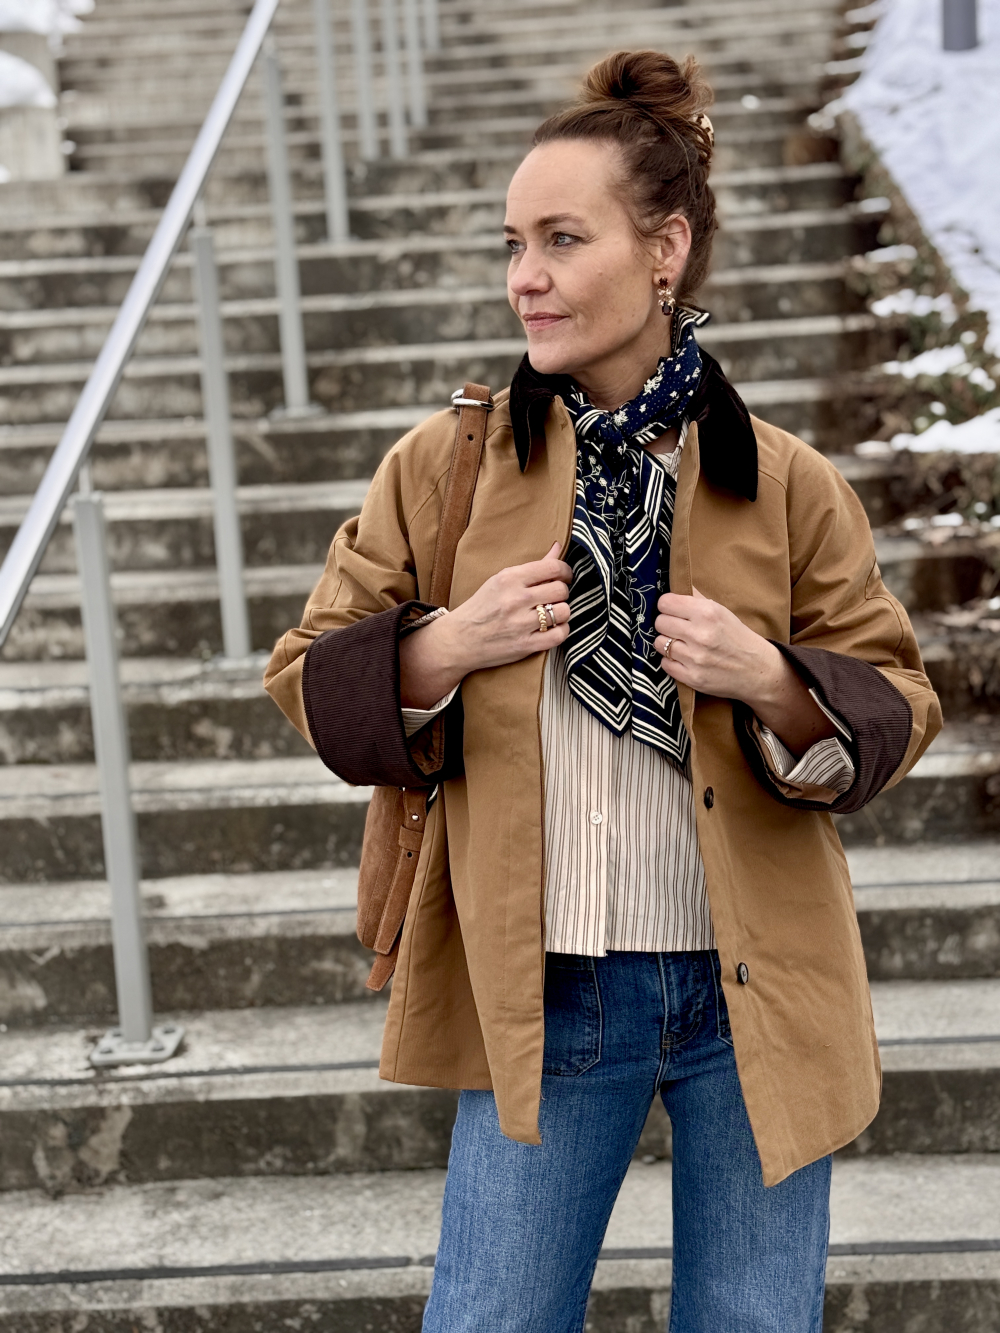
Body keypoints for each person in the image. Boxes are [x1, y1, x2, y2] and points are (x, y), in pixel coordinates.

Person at [264, 49, 942, 1333]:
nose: (524, 276)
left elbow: (897, 698)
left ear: (665, 250)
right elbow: (306, 671)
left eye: (562, 239)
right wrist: (445, 645)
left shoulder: (784, 481)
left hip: (757, 987)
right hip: (547, 986)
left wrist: (771, 679)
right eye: (513, 244)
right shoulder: (444, 466)